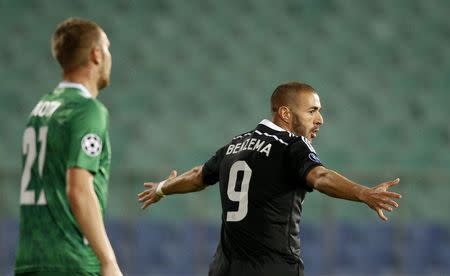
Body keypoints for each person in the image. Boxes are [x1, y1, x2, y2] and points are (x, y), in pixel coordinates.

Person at [137, 82, 402, 276]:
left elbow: (198, 176)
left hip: (224, 268)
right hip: (273, 267)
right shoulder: (292, 145)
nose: (320, 119)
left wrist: (162, 188)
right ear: (286, 114)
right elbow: (320, 177)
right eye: (312, 111)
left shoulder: (235, 145)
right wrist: (363, 193)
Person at [15, 17, 122, 276]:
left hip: (30, 259)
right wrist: (108, 261)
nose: (109, 56)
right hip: (72, 259)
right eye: (106, 48)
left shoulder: (41, 108)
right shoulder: (86, 110)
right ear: (96, 54)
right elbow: (78, 189)